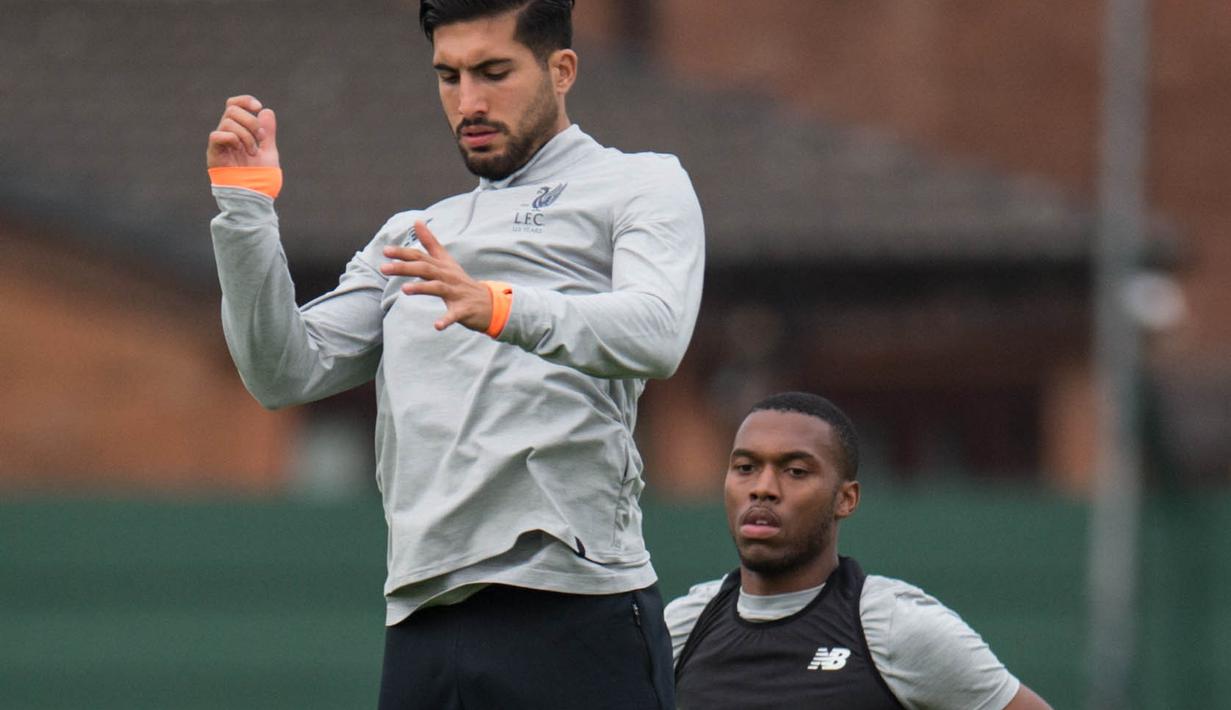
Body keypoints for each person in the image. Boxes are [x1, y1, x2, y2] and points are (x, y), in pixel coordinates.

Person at [204, 1, 703, 707]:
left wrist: (500, 306)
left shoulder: (640, 183)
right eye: (448, 76)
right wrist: (245, 208)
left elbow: (656, 333)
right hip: (422, 620)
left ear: (561, 70)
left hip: (574, 605)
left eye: (492, 72)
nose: (467, 101)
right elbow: (282, 372)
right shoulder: (412, 233)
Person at [666, 392, 1052, 710]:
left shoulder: (894, 628)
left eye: (796, 471)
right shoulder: (682, 627)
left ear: (845, 499)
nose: (763, 487)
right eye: (746, 467)